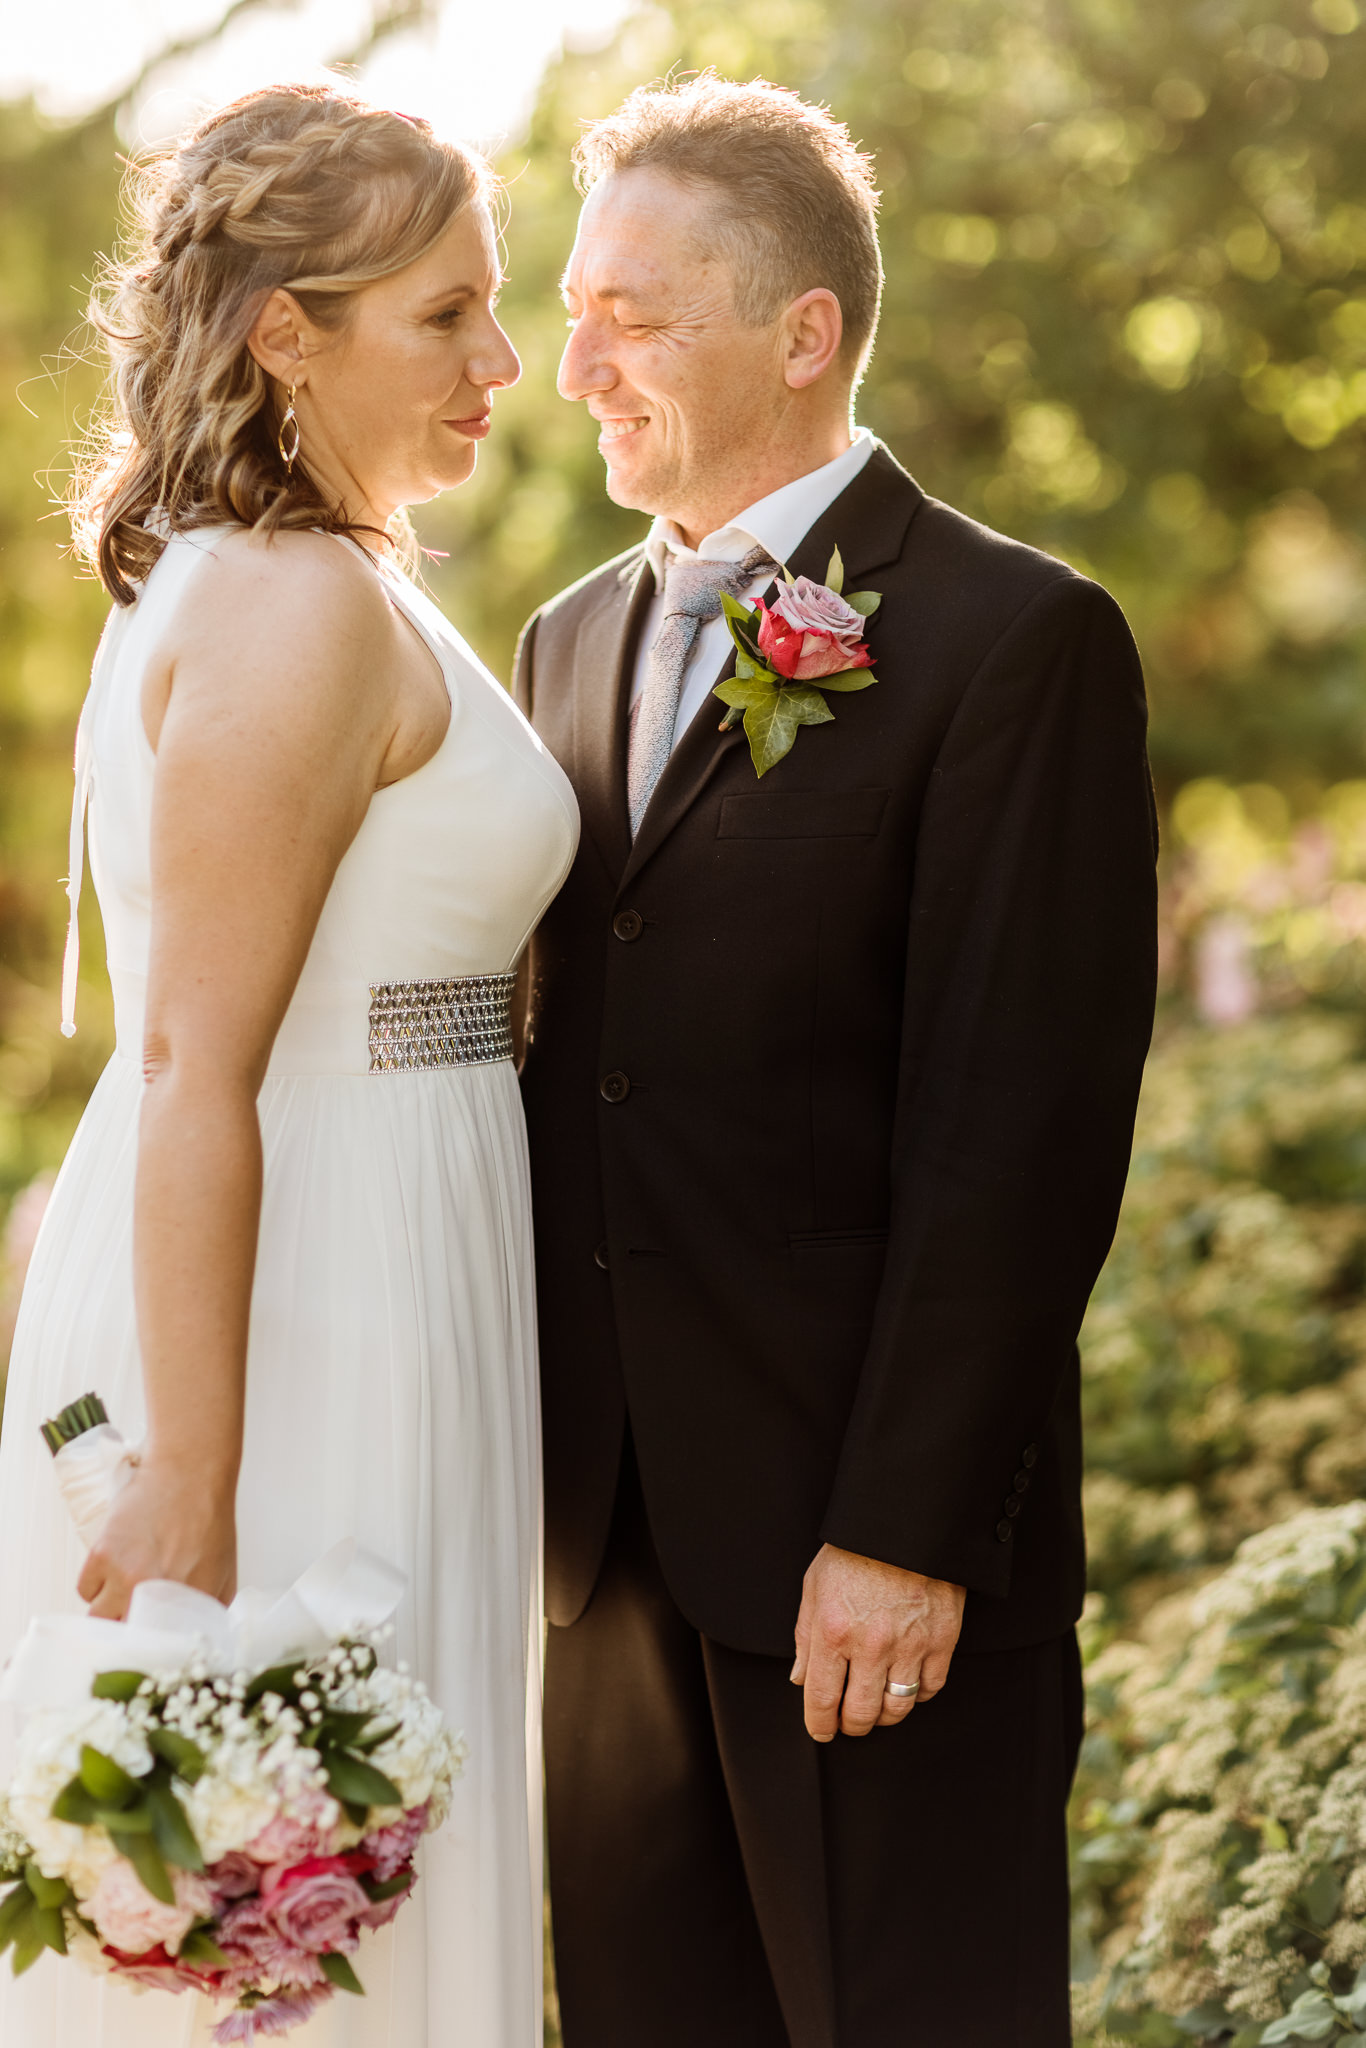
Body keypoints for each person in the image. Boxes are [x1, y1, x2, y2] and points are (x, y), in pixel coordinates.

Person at [514, 74, 1158, 2048]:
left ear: (801, 332)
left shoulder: (1009, 641)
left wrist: (896, 1527)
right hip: (598, 1558)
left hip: (858, 1566)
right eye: (571, 308)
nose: (571, 362)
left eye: (632, 312)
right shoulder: (555, 646)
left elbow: (1016, 1129)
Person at [0, 83, 577, 2047]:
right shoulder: (288, 603)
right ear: (285, 332)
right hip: (296, 1310)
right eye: (445, 314)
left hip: (393, 1256)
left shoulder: (330, 577)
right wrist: (194, 1473)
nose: (504, 363)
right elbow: (190, 1063)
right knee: (284, 1930)